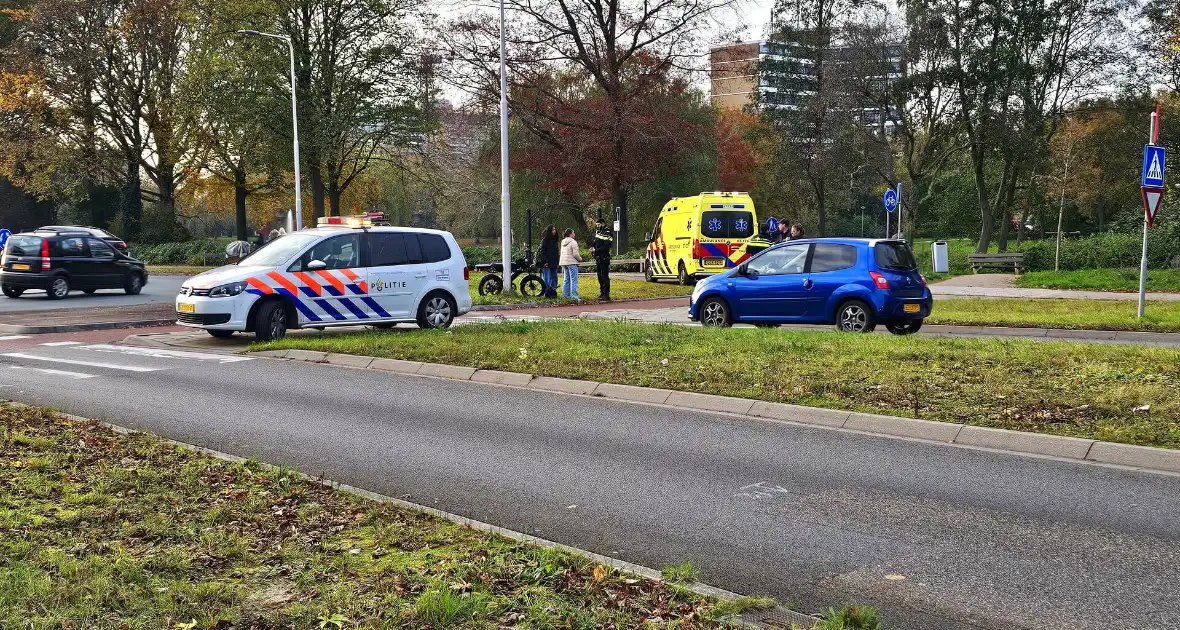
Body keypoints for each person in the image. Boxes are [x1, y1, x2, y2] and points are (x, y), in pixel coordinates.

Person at [590, 222, 613, 301]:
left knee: (604, 276)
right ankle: (602, 292)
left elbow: (606, 246)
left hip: (604, 257)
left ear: (603, 224)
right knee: (599, 276)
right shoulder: (598, 232)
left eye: (599, 224)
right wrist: (592, 248)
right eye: (597, 224)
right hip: (598, 257)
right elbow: (595, 242)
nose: (597, 226)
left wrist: (596, 250)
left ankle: (606, 294)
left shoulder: (607, 232)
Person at [535, 225, 560, 298]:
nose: (554, 231)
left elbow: (556, 253)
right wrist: (545, 261)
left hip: (554, 262)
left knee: (554, 277)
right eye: (552, 230)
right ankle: (545, 292)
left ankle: (553, 292)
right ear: (549, 231)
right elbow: (542, 252)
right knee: (546, 278)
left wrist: (557, 262)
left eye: (555, 229)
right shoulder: (545, 240)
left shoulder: (555, 241)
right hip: (547, 263)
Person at [559, 228, 582, 300]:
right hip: (571, 262)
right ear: (570, 234)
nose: (574, 234)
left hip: (564, 262)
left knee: (566, 279)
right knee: (574, 280)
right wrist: (580, 259)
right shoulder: (573, 242)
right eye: (573, 233)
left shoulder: (563, 241)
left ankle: (565, 296)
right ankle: (574, 297)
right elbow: (575, 254)